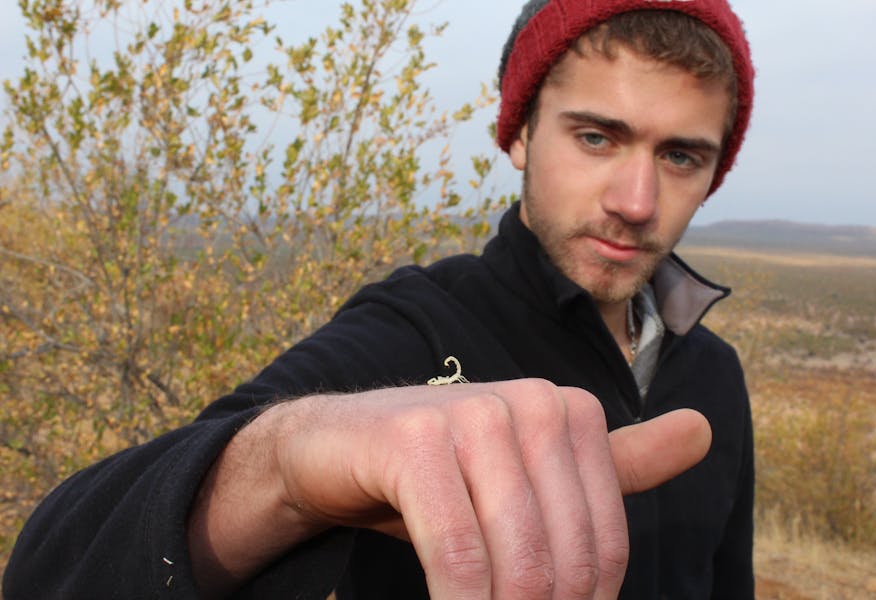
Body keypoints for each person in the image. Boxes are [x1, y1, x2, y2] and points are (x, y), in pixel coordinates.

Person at [3, 0, 756, 598]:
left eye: (681, 155)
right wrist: (282, 473)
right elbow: (56, 572)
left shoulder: (713, 373)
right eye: (596, 137)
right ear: (520, 134)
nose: (635, 199)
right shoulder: (415, 331)